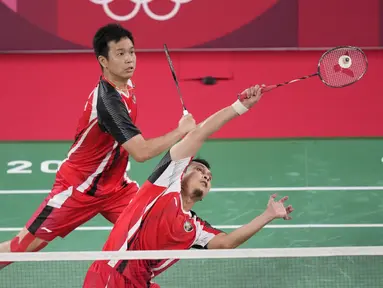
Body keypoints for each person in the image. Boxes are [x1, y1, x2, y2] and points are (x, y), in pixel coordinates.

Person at [0, 23, 196, 268]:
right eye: (120, 54)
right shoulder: (108, 102)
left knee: (158, 233)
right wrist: (180, 131)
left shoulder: (127, 86)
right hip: (79, 189)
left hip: (116, 189)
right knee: (20, 249)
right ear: (104, 61)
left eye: (131, 52)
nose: (129, 59)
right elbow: (141, 152)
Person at [83, 85, 294, 288]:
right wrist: (239, 107)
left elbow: (227, 243)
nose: (206, 176)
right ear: (182, 173)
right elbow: (198, 134)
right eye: (199, 170)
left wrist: (268, 215)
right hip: (111, 276)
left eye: (209, 177)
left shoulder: (195, 229)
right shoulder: (163, 185)